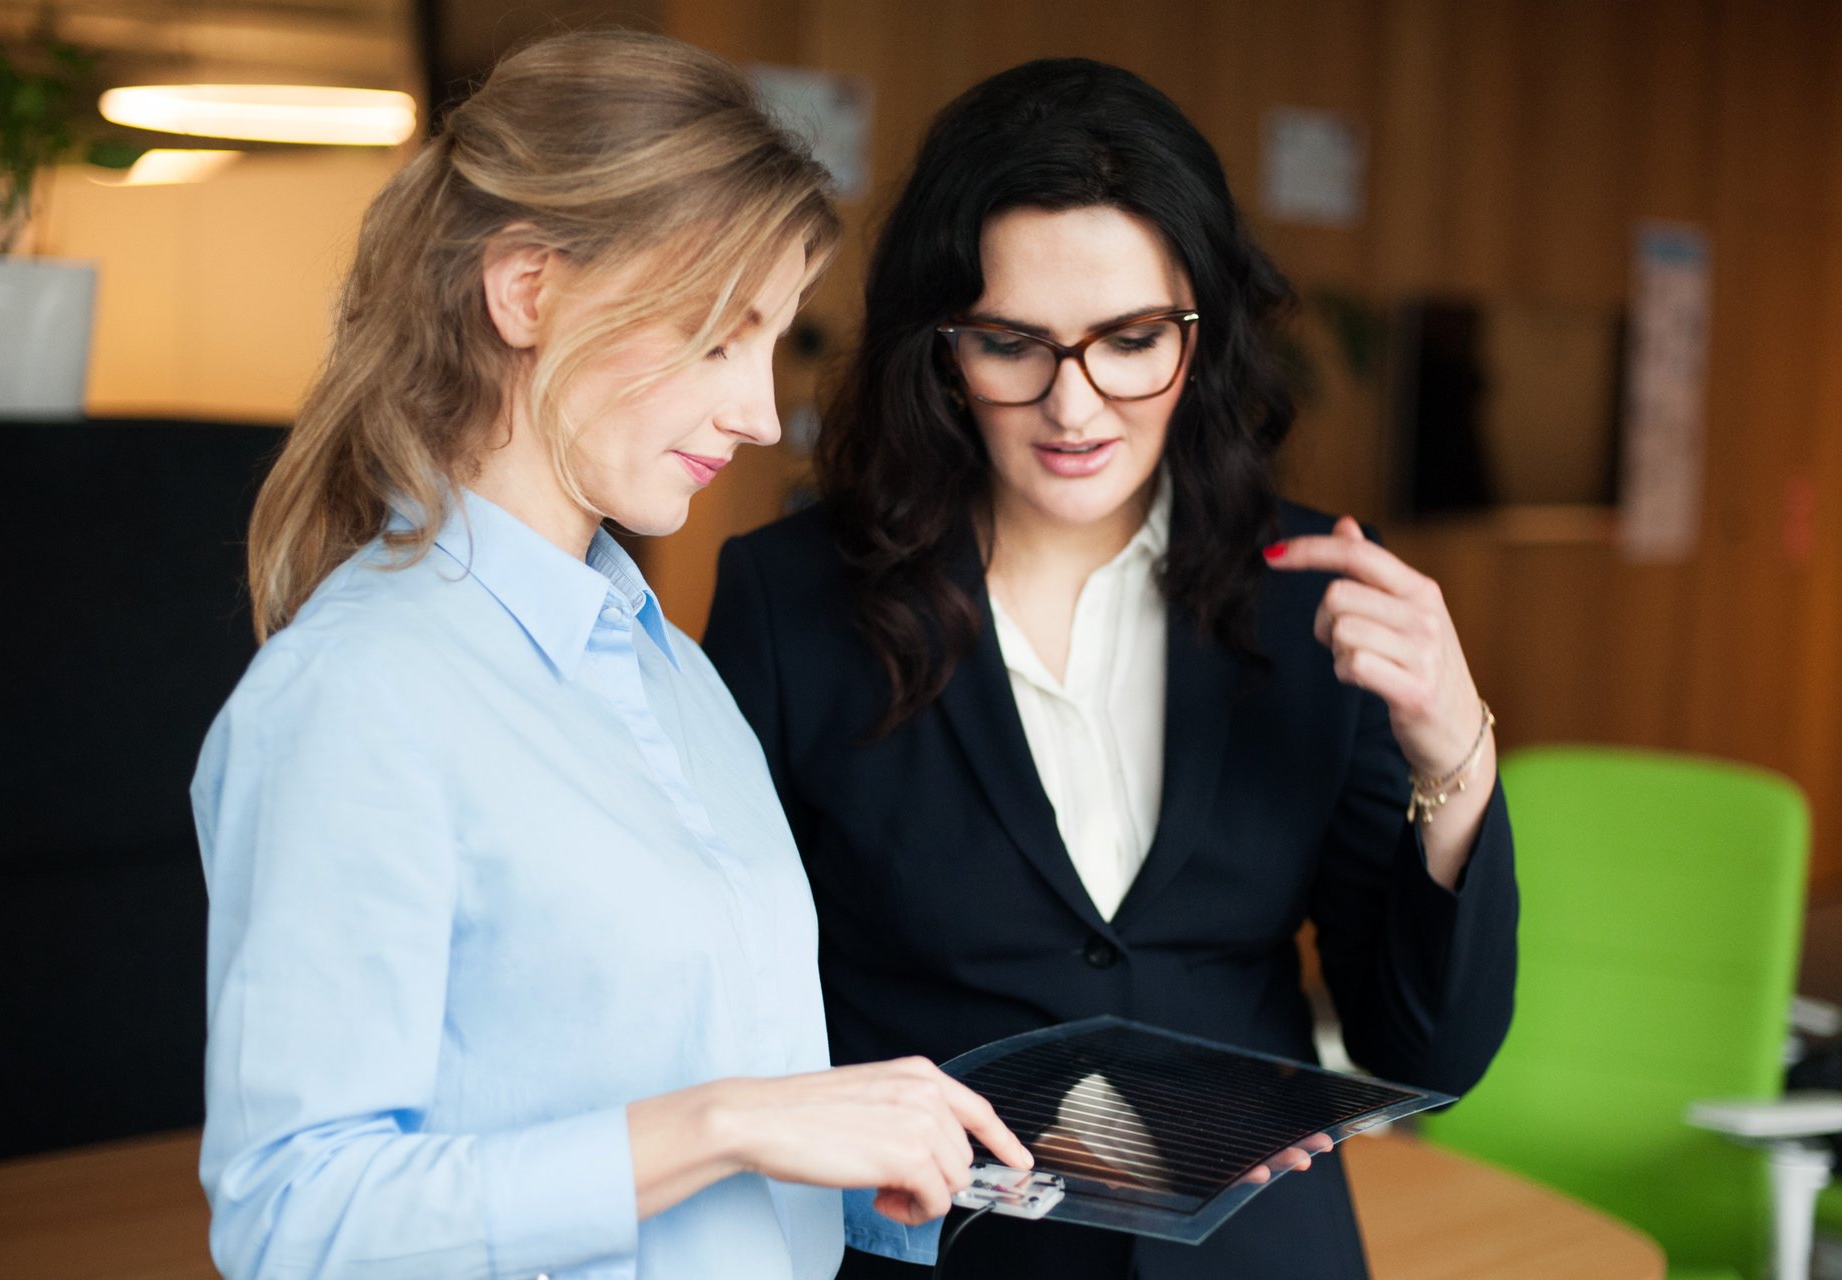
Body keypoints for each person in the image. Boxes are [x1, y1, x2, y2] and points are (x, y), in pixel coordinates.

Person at [191, 31, 1030, 1280]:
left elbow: (669, 1129)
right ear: (527, 291)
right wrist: (724, 1120)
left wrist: (900, 1154)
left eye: (774, 343)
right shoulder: (355, 694)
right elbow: (295, 1215)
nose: (759, 414)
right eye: (719, 336)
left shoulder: (673, 675)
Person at [703, 57, 1519, 1280]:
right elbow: (726, 1013)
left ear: (1203, 330)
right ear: (941, 347)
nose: (1075, 407)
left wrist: (1455, 752)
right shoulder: (791, 600)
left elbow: (1430, 1052)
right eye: (1012, 344)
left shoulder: (1316, 594)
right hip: (942, 1253)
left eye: (1132, 341)